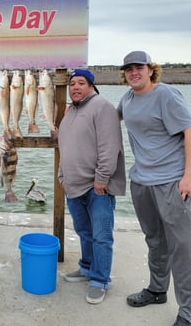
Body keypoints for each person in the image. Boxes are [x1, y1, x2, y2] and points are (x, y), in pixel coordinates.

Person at [117, 51, 191, 326]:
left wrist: (189, 175)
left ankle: (188, 311)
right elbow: (106, 115)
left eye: (139, 67)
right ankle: (156, 289)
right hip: (142, 182)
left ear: (151, 70)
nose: (133, 72)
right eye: (128, 69)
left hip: (172, 183)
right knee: (155, 241)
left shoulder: (166, 95)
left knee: (182, 248)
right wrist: (76, 104)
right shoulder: (127, 99)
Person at [57, 69, 126, 304]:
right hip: (73, 186)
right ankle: (86, 267)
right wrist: (61, 176)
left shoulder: (102, 107)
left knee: (101, 236)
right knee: (84, 232)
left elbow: (110, 147)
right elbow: (65, 146)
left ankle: (100, 279)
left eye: (81, 83)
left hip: (96, 188)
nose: (75, 87)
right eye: (72, 83)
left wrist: (102, 179)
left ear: (92, 86)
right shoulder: (70, 112)